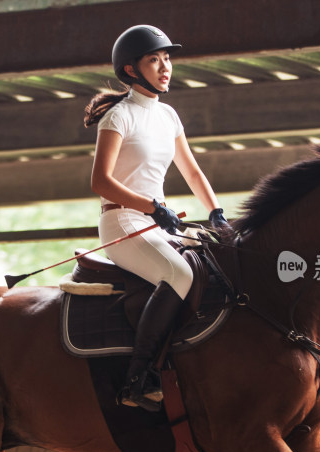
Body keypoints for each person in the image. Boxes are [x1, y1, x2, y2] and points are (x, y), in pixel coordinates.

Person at [84, 25, 227, 411]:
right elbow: (101, 181)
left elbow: (193, 172)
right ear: (131, 70)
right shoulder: (119, 117)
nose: (165, 67)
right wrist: (151, 206)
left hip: (156, 221)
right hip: (123, 222)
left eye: (167, 59)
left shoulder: (167, 115)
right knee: (179, 274)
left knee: (220, 265)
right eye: (154, 60)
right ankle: (138, 377)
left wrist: (216, 213)